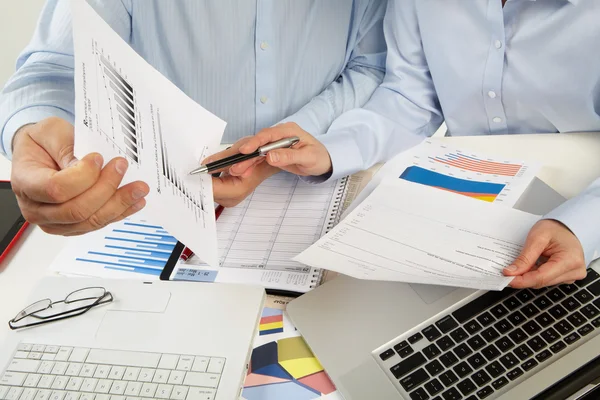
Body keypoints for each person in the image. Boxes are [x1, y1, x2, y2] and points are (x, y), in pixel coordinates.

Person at [220, 0, 600, 289]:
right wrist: (332, 150)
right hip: (467, 205)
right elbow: (412, 95)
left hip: (583, 214)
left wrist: (583, 227)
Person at [0, 0, 387, 235]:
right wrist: (31, 133)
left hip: (327, 193)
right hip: (163, 208)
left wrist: (294, 135)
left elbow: (370, 66)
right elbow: (52, 72)